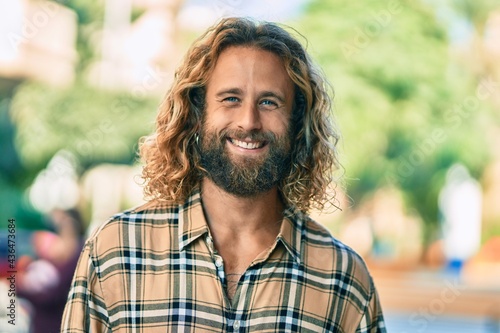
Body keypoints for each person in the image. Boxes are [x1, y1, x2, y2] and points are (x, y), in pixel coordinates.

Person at [61, 17, 386, 332]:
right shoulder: (115, 252)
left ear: (297, 122)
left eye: (270, 102)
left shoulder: (343, 279)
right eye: (231, 98)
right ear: (197, 114)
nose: (248, 121)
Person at [17, 208, 85, 333]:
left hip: (54, 324)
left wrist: (20, 288)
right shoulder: (65, 257)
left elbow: (53, 295)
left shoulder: (76, 258)